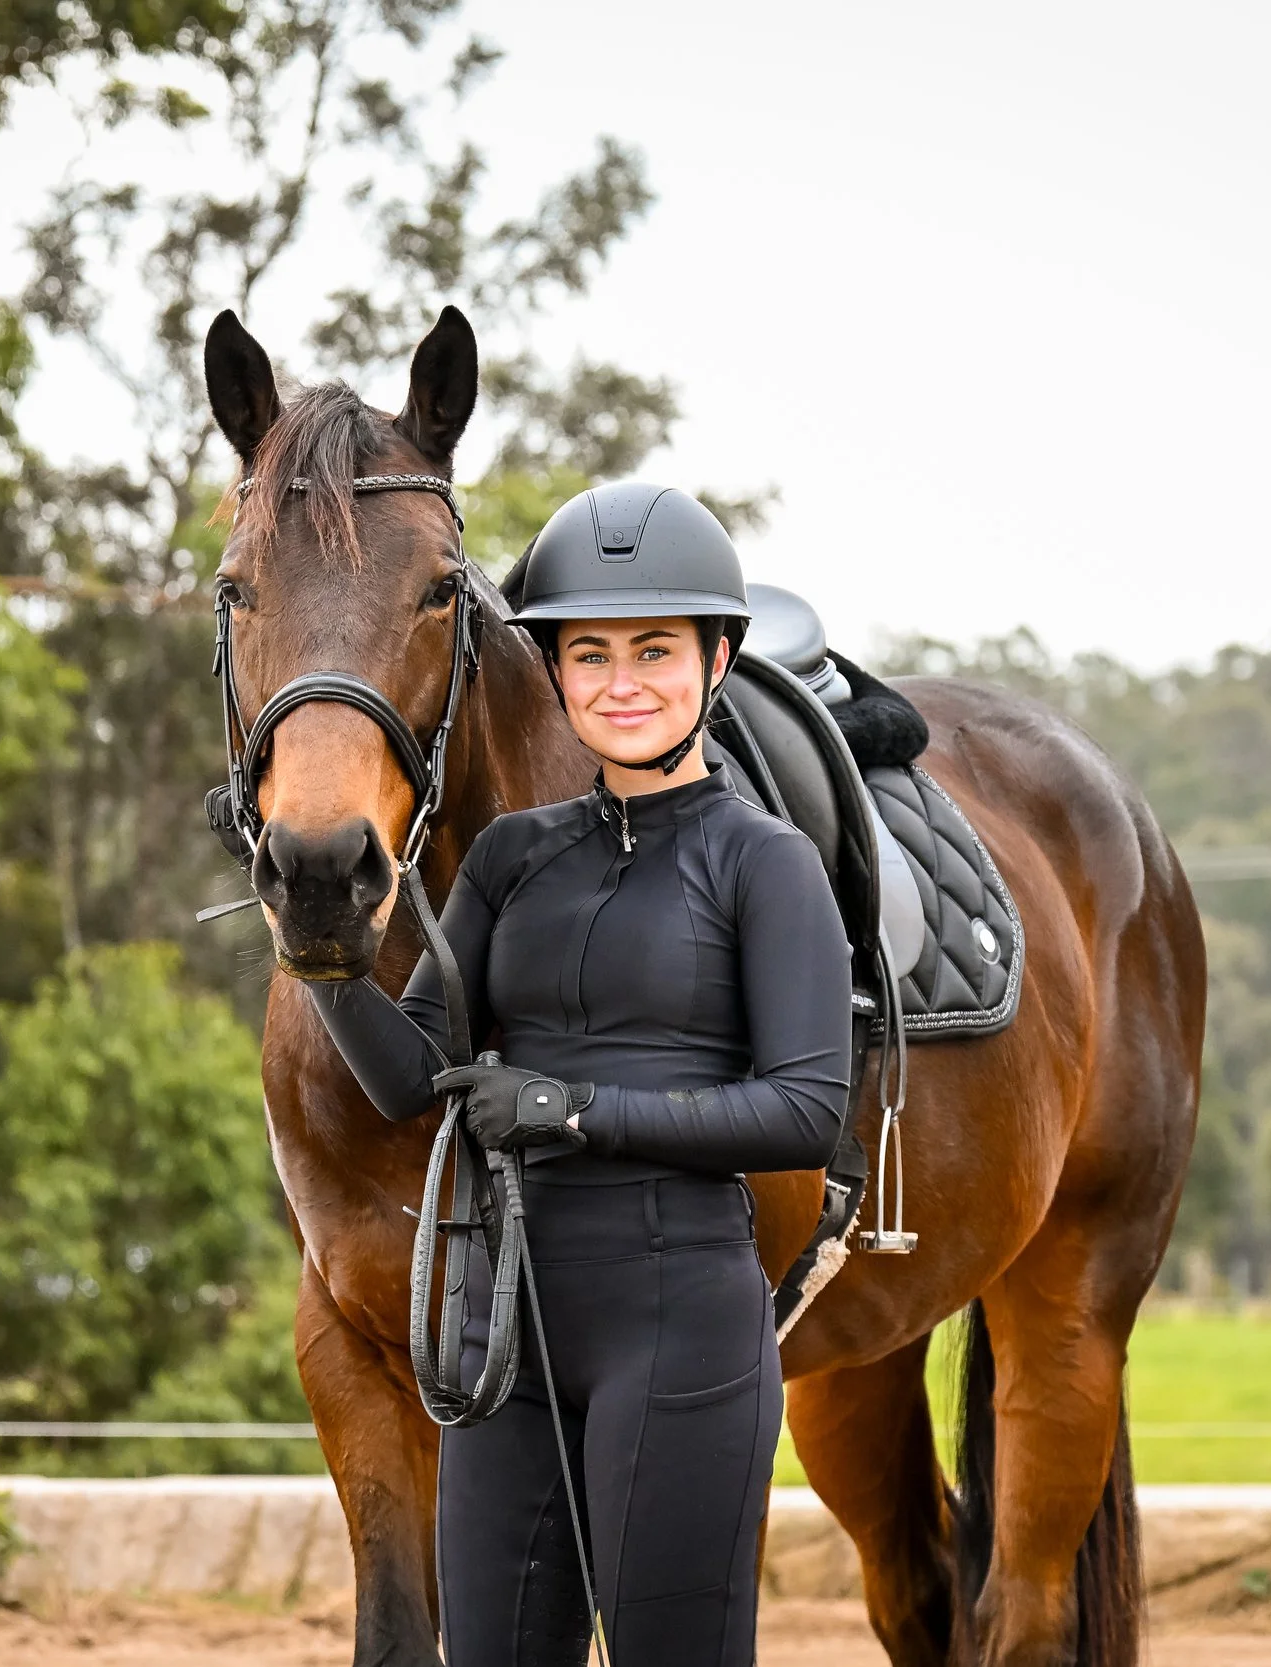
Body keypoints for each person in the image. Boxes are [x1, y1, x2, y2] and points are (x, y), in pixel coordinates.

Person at [307, 480, 853, 1667]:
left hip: (684, 1323)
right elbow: (411, 1078)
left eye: (654, 649)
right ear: (551, 669)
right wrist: (320, 950)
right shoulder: (509, 858)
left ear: (715, 659)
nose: (620, 681)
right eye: (588, 652)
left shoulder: (765, 863)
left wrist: (570, 1107)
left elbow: (807, 1109)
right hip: (505, 1338)